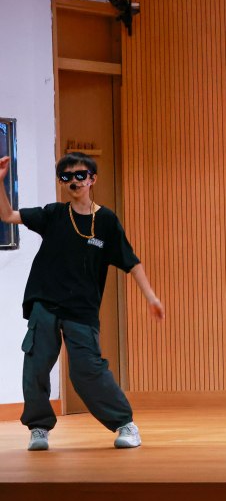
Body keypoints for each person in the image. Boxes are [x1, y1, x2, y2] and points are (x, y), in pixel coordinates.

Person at [0, 152, 164, 450]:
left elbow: (131, 261)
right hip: (45, 302)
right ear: (61, 182)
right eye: (67, 176)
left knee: (86, 370)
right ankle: (39, 428)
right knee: (36, 366)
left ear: (92, 179)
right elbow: (8, 215)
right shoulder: (53, 214)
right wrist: (0, 182)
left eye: (80, 175)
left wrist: (151, 296)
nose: (74, 181)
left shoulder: (106, 221)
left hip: (82, 308)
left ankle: (125, 424)